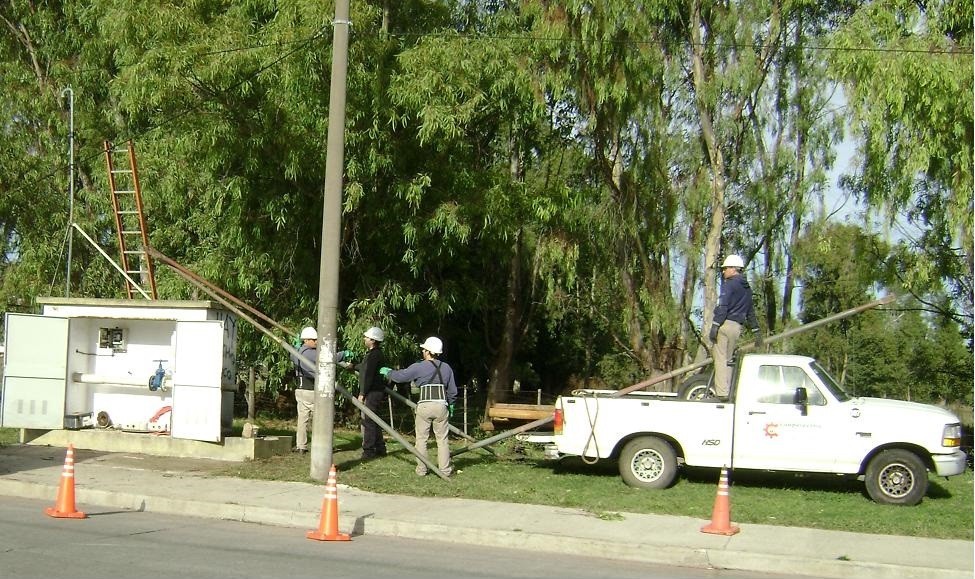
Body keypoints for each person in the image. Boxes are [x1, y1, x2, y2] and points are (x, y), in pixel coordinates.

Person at [381, 336, 457, 477]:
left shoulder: (419, 366)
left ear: (428, 351)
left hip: (425, 405)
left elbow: (400, 377)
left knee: (422, 439)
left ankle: (422, 470)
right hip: (441, 405)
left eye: (424, 349)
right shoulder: (446, 368)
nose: (422, 351)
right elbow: (452, 391)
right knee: (442, 440)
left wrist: (389, 372)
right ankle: (445, 470)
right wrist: (451, 404)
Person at [708, 254, 761, 400]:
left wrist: (715, 325)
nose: (723, 272)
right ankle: (729, 390)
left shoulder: (729, 284)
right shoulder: (747, 288)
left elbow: (723, 307)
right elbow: (750, 312)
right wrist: (756, 331)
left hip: (725, 325)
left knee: (720, 358)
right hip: (737, 328)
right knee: (729, 360)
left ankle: (722, 393)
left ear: (733, 269)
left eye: (725, 269)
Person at [354, 326, 387, 459]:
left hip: (372, 392)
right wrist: (354, 366)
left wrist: (362, 393)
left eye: (367, 337)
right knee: (374, 419)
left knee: (368, 421)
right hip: (376, 391)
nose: (364, 339)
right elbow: (364, 368)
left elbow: (368, 374)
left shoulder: (374, 355)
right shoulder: (375, 354)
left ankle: (369, 450)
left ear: (373, 340)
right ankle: (379, 447)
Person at [291, 326, 318, 454]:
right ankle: (320, 444)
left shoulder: (297, 352)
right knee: (319, 418)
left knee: (302, 419)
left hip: (300, 389)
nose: (317, 342)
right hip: (311, 390)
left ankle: (301, 445)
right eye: (314, 340)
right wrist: (343, 355)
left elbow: (292, 355)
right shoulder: (311, 353)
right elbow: (329, 357)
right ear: (306, 340)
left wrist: (296, 347)